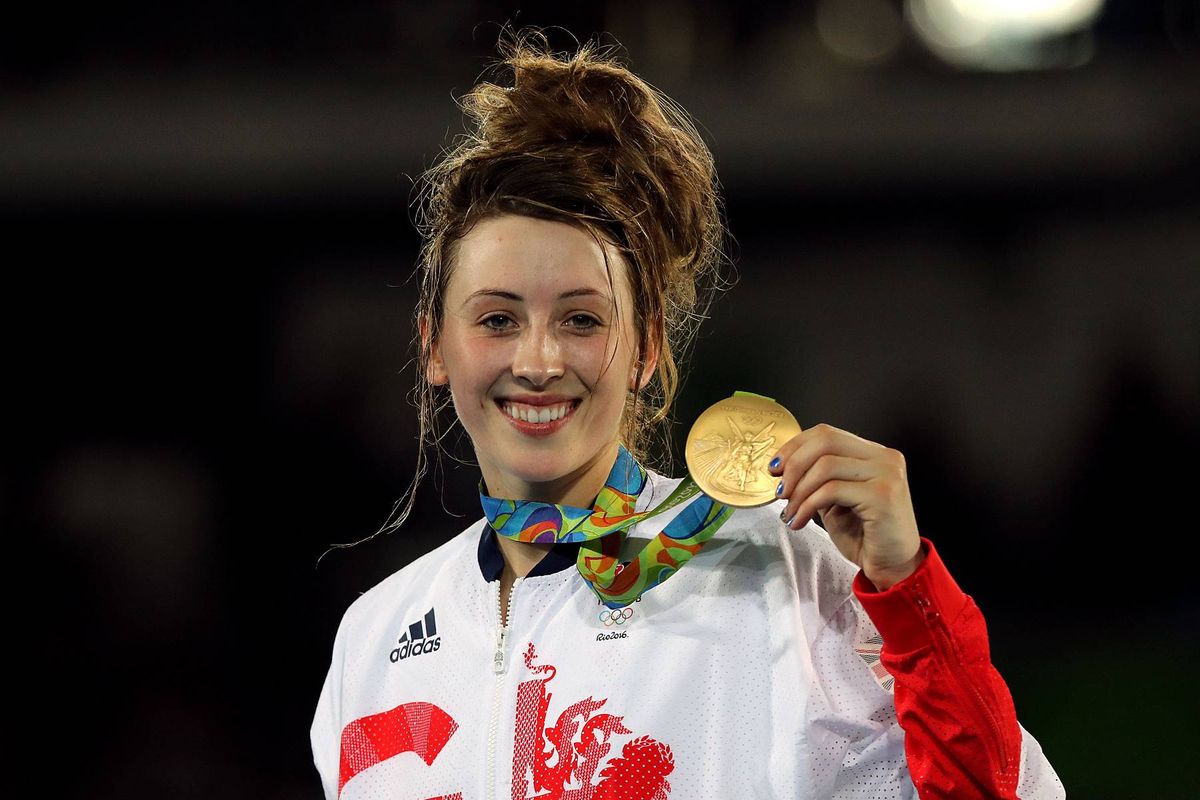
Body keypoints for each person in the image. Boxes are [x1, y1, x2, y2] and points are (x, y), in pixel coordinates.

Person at [311, 29, 1066, 800]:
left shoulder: (776, 574)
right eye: (497, 320)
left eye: (581, 320)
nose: (537, 362)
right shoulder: (377, 635)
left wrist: (908, 589)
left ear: (645, 349)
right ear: (435, 347)